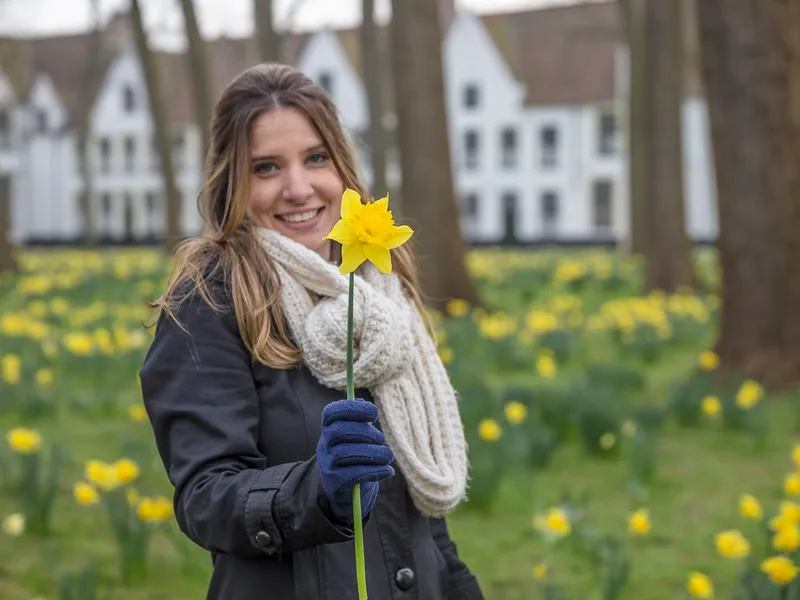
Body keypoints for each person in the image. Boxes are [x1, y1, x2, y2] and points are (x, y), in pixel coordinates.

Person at [139, 62, 485, 600]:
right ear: (232, 182)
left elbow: (414, 503)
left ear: (343, 168)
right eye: (267, 168)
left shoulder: (378, 292)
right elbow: (204, 499)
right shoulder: (208, 301)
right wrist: (316, 490)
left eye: (315, 158)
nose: (298, 188)